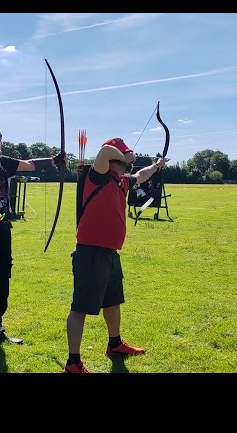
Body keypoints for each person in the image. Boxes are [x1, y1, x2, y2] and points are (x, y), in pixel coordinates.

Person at [0, 118, 65, 356]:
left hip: (3, 231)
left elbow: (28, 164)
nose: (1, 145)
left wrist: (54, 160)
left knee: (0, 283)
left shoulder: (4, 161)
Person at [63, 137, 169, 373]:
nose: (128, 163)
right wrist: (125, 155)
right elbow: (105, 151)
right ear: (115, 160)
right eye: (123, 158)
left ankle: (115, 344)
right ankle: (72, 363)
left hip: (110, 254)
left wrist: (157, 165)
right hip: (90, 252)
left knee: (112, 301)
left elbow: (141, 175)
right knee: (80, 307)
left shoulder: (121, 181)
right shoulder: (97, 174)